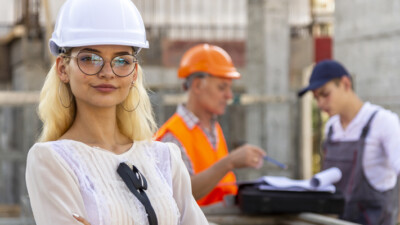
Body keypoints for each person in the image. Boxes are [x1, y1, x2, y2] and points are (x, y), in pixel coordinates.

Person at [25, 0, 208, 224]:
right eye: (89, 59)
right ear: (63, 69)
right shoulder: (52, 161)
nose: (108, 72)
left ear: (134, 73)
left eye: (122, 60)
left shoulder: (165, 159)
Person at [156, 44, 266, 206]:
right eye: (222, 87)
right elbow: (180, 193)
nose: (229, 95)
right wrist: (230, 162)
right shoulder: (172, 136)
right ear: (198, 85)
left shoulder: (213, 128)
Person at [298, 59, 400, 225]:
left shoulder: (383, 122)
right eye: (316, 98)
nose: (321, 103)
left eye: (325, 94)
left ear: (345, 84)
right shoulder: (331, 127)